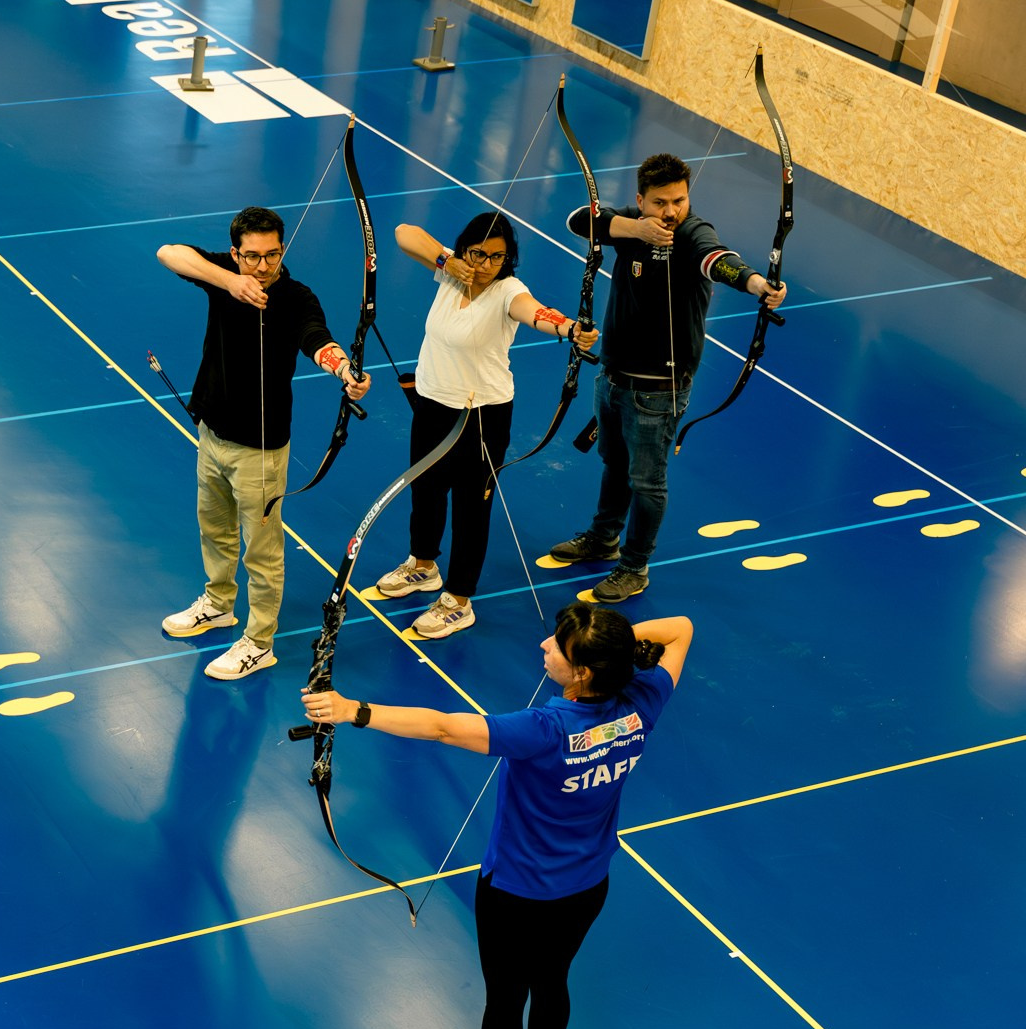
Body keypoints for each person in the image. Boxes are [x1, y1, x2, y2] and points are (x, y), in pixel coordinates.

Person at [300, 605, 693, 1029]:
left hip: (515, 893)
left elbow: (441, 727)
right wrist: (619, 648)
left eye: (559, 646)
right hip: (585, 887)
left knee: (506, 999)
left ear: (582, 673)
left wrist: (351, 710)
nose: (544, 647)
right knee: (553, 982)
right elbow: (681, 629)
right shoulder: (643, 702)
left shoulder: (545, 730)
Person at [547, 154, 786, 602]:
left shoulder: (694, 233)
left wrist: (756, 283)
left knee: (647, 482)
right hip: (614, 376)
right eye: (660, 203)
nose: (671, 211)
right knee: (614, 465)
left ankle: (634, 567)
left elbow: (719, 260)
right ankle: (603, 538)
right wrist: (636, 228)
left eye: (679, 200)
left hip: (659, 388)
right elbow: (579, 220)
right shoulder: (632, 225)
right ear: (641, 200)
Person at [154, 206, 370, 680]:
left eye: (273, 255)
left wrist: (344, 370)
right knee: (214, 527)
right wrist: (229, 280)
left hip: (260, 450)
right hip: (211, 432)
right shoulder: (227, 276)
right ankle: (218, 603)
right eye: (252, 257)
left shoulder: (295, 297)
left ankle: (259, 641)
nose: (263, 266)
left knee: (262, 550)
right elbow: (169, 252)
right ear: (236, 253)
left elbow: (318, 339)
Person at [373, 214, 599, 638]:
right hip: (432, 402)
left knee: (471, 507)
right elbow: (404, 232)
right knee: (425, 490)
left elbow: (535, 312)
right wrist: (448, 259)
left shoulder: (507, 291)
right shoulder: (451, 274)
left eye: (498, 256)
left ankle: (459, 599)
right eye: (479, 253)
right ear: (464, 249)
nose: (486, 263)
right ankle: (423, 566)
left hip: (481, 415)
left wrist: (569, 328)